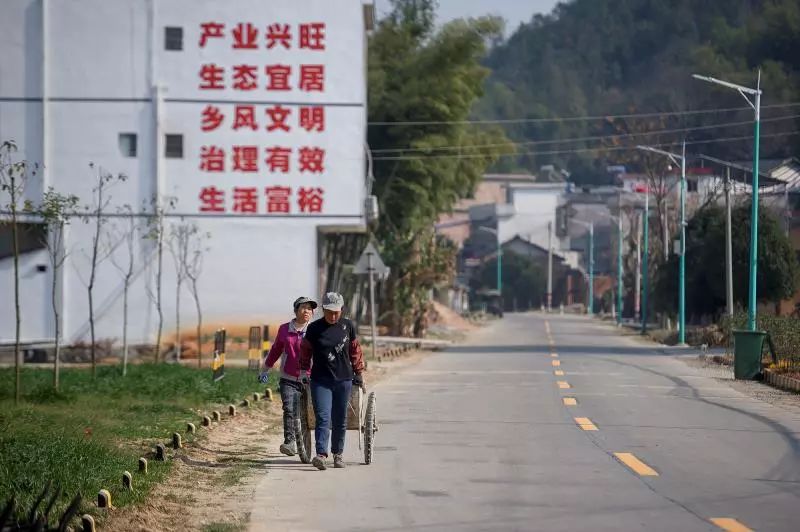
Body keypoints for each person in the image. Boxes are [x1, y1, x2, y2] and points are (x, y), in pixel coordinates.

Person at [299, 292, 365, 470]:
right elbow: (305, 352)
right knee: (323, 417)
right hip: (321, 380)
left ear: (342, 310)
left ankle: (338, 454)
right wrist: (304, 371)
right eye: (329, 312)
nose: (333, 315)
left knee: (339, 419)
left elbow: (355, 350)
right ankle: (321, 454)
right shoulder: (314, 329)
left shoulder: (347, 326)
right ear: (323, 310)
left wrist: (358, 372)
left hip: (344, 380)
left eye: (337, 312)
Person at [260, 296, 317, 457]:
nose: (307, 311)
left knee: (313, 410)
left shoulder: (315, 329)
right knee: (289, 409)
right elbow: (276, 350)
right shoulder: (284, 329)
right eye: (303, 307)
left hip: (311, 378)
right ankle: (290, 442)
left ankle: (319, 444)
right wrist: (265, 369)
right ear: (296, 310)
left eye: (310, 308)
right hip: (289, 378)